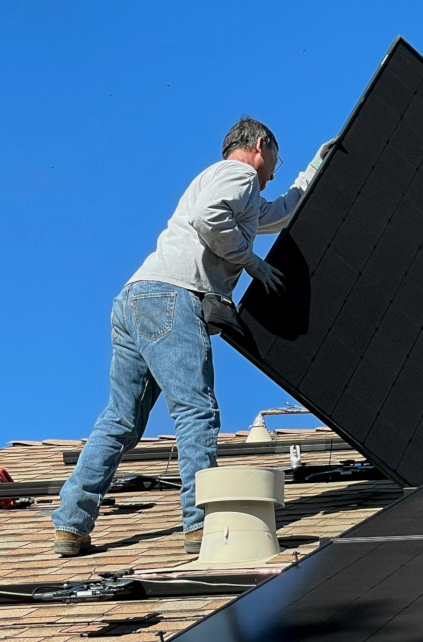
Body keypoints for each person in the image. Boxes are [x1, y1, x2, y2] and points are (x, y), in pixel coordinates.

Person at [52, 117, 334, 556]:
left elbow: (277, 214)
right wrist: (252, 263)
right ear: (261, 145)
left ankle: (71, 523)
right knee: (195, 410)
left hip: (134, 299)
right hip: (172, 297)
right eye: (278, 157)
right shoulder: (238, 174)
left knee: (120, 421)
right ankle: (201, 526)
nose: (277, 167)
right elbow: (209, 219)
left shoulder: (224, 183)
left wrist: (316, 168)